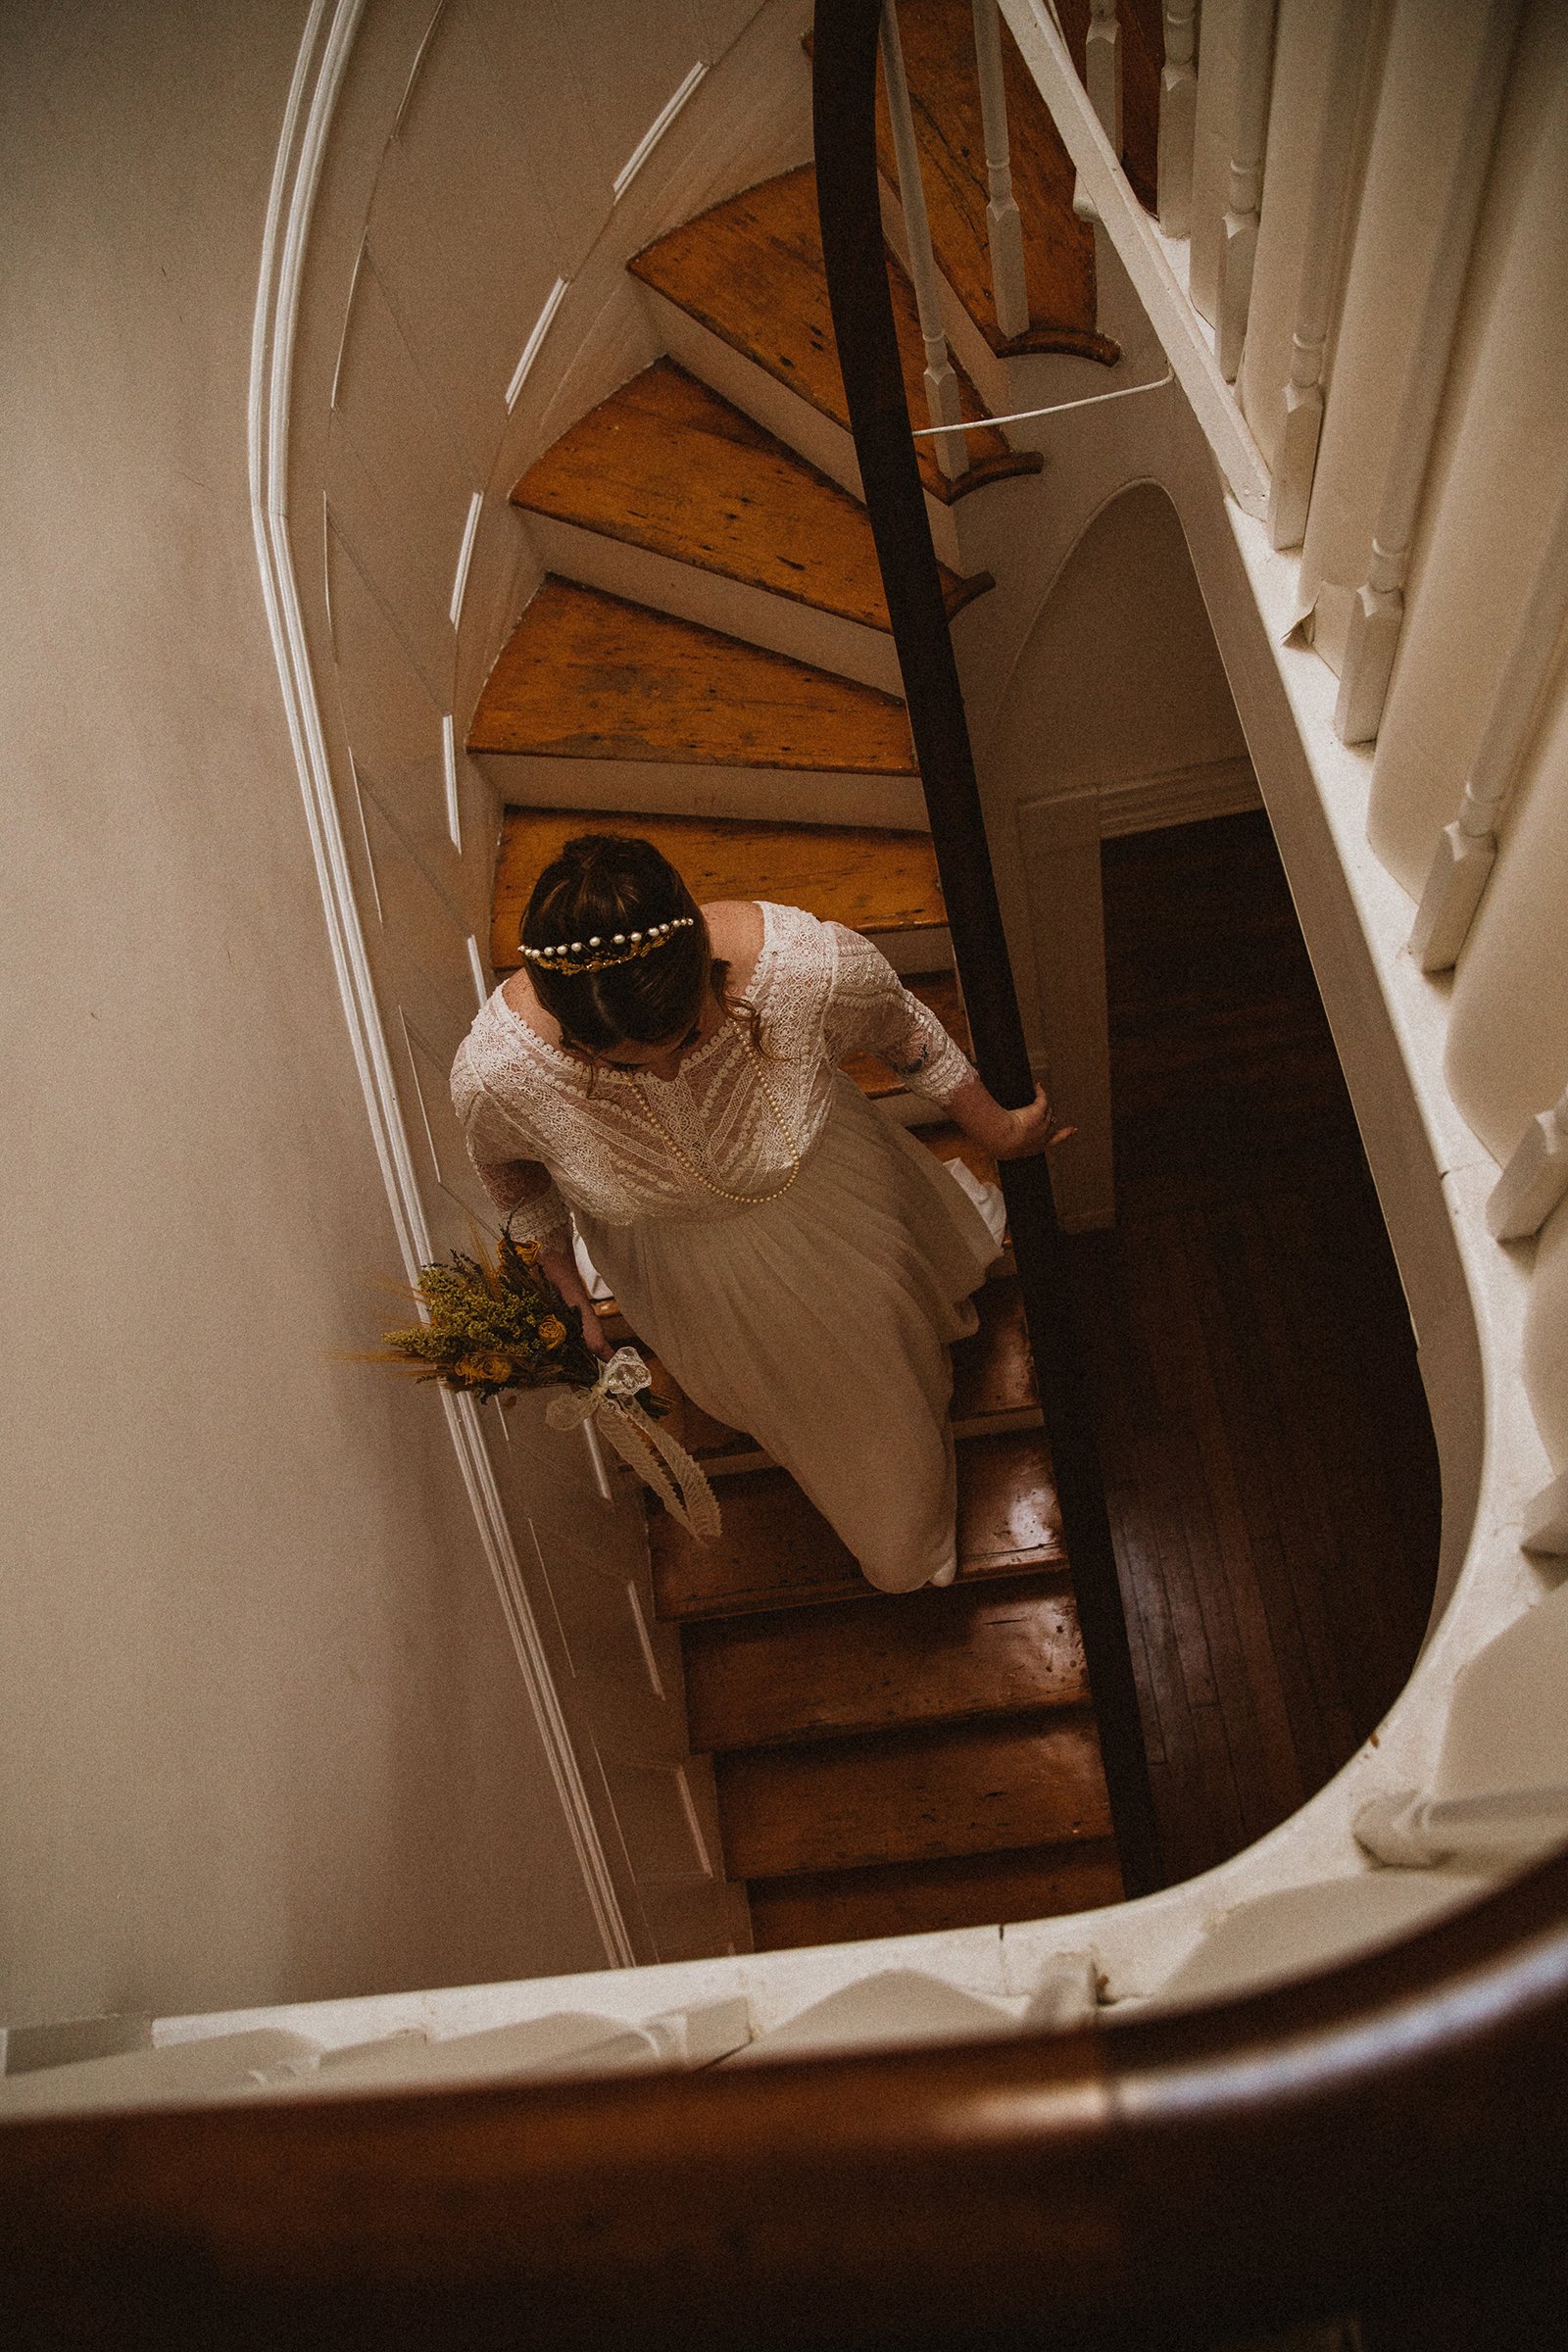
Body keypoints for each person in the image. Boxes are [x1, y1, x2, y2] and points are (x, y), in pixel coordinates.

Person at [450, 833, 1069, 1593]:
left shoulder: (803, 972)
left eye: (685, 1037)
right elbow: (513, 1178)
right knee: (779, 1395)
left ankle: (906, 1535)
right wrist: (566, 1289)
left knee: (875, 1400)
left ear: (707, 967)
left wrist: (998, 1130)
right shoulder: (499, 1075)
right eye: (619, 1064)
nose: (665, 1073)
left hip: (827, 1202)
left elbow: (901, 1029)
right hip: (679, 1267)